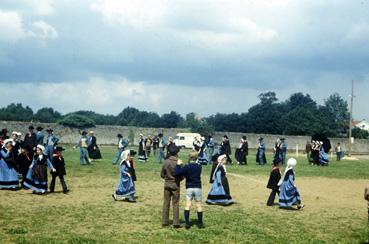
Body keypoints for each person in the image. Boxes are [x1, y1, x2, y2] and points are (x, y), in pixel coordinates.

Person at [174, 150, 204, 229]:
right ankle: (200, 223)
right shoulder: (199, 166)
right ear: (196, 157)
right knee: (198, 205)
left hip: (189, 188)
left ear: (189, 157)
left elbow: (177, 173)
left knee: (188, 204)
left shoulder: (187, 167)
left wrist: (178, 165)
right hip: (197, 187)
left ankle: (187, 223)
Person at [161, 145, 182, 228]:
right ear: (177, 153)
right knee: (175, 203)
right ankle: (176, 222)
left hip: (167, 184)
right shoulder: (178, 162)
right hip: (176, 184)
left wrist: (166, 177)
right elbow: (182, 174)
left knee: (166, 203)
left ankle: (164, 221)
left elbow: (162, 174)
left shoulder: (166, 162)